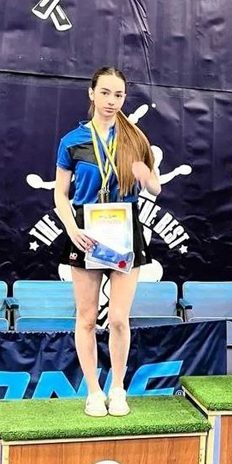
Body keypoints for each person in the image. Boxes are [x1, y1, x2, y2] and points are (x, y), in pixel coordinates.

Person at [54, 66, 161, 417]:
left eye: (118, 94)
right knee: (86, 318)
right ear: (92, 94)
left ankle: (117, 388)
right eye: (105, 93)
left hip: (125, 230)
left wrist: (146, 176)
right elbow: (60, 194)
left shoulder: (135, 138)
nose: (111, 101)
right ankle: (93, 391)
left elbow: (155, 187)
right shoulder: (72, 141)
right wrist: (72, 229)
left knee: (117, 318)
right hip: (86, 231)